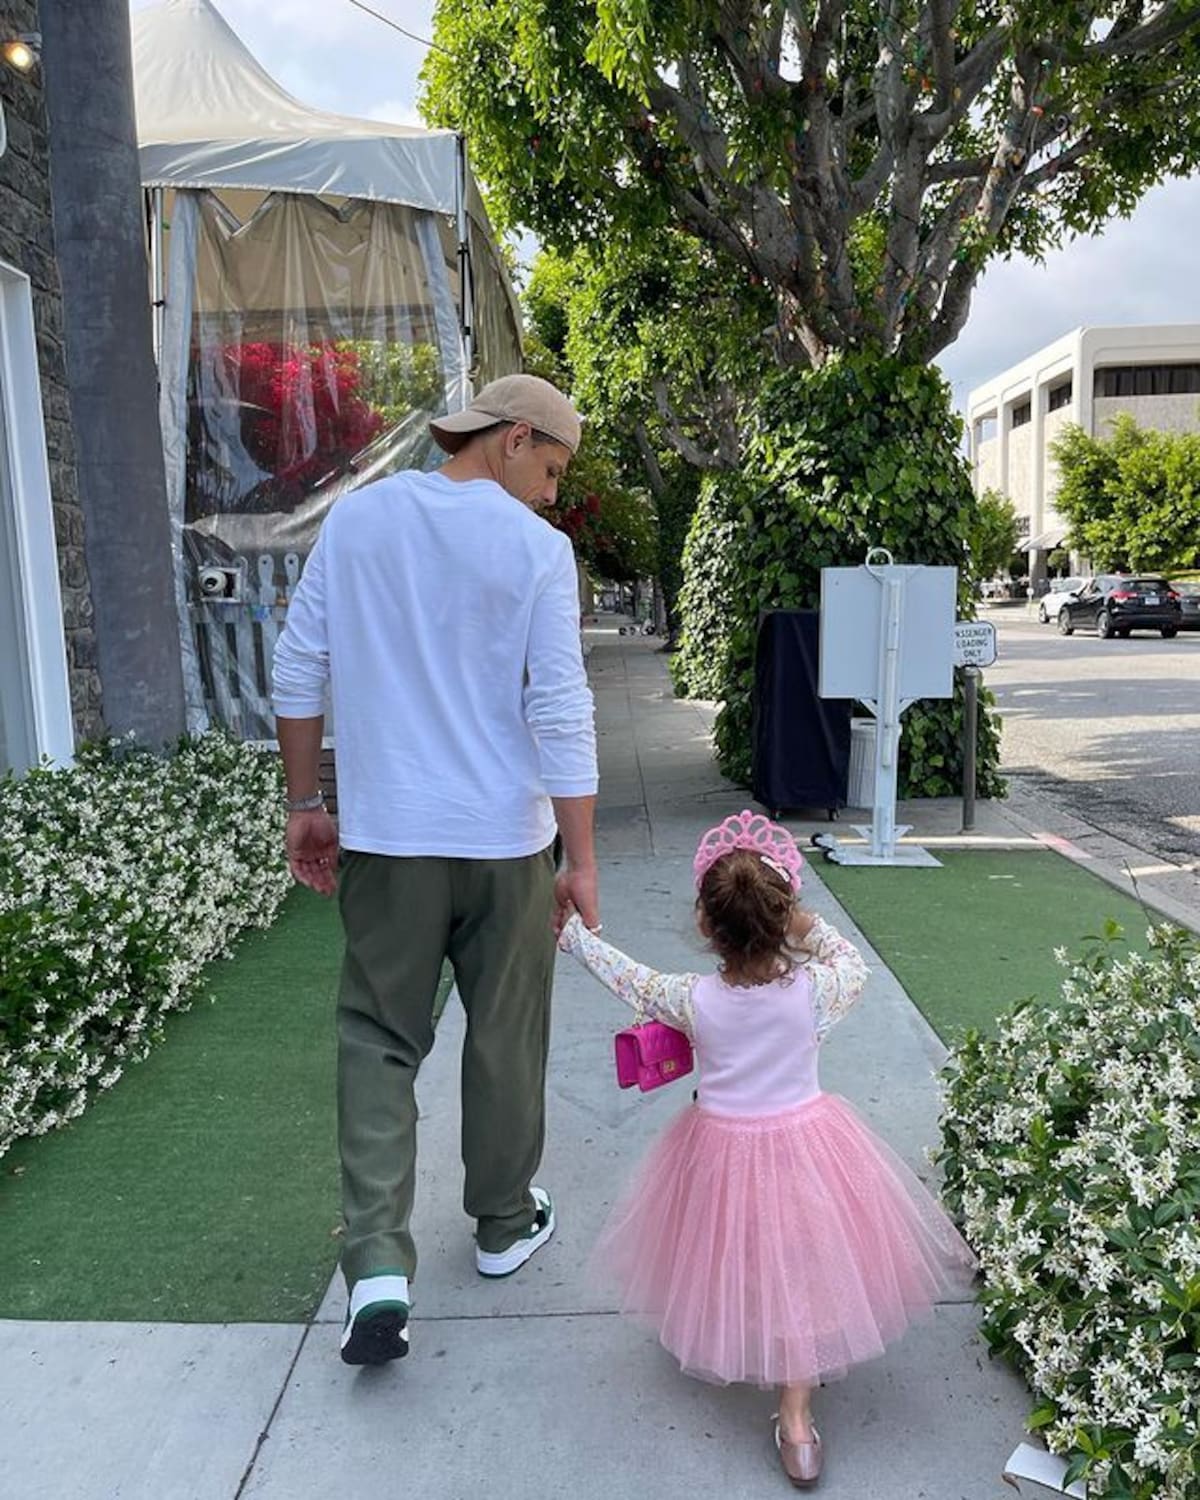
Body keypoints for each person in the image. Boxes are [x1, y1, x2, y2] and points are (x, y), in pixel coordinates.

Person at [272, 373, 599, 1367]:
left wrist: (304, 803)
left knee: (377, 1037)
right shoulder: (539, 553)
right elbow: (560, 709)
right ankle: (501, 1223)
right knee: (505, 1031)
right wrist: (579, 859)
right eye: (549, 468)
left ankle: (375, 1262)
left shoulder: (361, 523)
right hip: (506, 844)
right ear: (509, 438)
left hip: (388, 839)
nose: (550, 495)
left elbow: (297, 668)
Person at [557, 810, 973, 1488]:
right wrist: (801, 925)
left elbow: (626, 978)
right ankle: (798, 1419)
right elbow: (851, 962)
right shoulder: (815, 991)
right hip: (809, 1147)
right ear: (784, 915)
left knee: (723, 1250)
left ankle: (728, 1333)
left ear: (704, 926)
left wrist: (577, 935)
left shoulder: (689, 998)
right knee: (803, 1269)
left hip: (717, 1148)